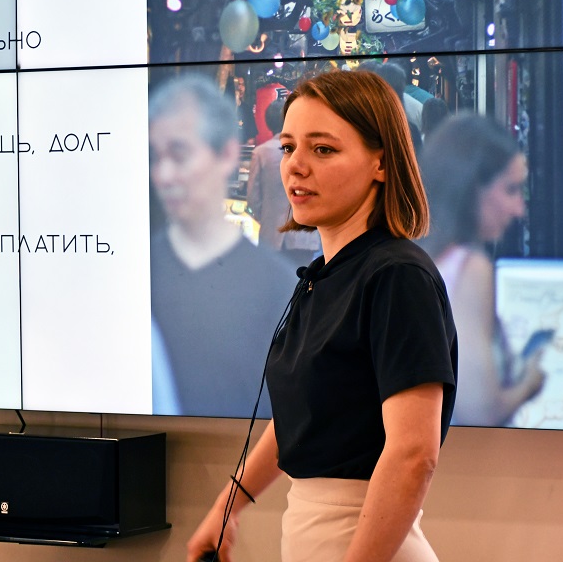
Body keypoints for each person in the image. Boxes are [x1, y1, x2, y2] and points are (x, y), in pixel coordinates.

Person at [187, 70, 457, 562]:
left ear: (381, 161)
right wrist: (227, 507)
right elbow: (302, 417)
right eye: (288, 147)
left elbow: (413, 455)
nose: (295, 165)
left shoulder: (397, 276)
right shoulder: (324, 276)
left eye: (323, 149)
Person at [149, 74, 295, 418]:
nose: (164, 174)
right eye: (155, 157)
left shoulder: (278, 287)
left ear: (226, 153)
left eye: (180, 155)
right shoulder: (133, 272)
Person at [418, 116, 545, 427]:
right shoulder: (469, 268)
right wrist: (530, 381)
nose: (519, 209)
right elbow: (480, 411)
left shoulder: (415, 254)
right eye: (511, 189)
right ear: (471, 189)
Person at [245, 98, 321, 266]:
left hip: (271, 235)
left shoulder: (261, 153)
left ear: (268, 122)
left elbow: (253, 199)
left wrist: (266, 217)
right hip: (304, 235)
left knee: (272, 281)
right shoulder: (312, 151)